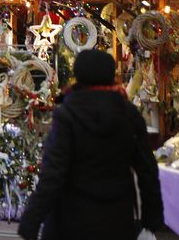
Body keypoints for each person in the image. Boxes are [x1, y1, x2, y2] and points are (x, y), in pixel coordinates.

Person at [17, 50, 163, 240]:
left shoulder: (67, 113)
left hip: (71, 218)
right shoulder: (129, 114)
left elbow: (54, 172)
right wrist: (152, 216)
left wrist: (32, 219)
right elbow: (146, 168)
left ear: (78, 75)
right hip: (116, 216)